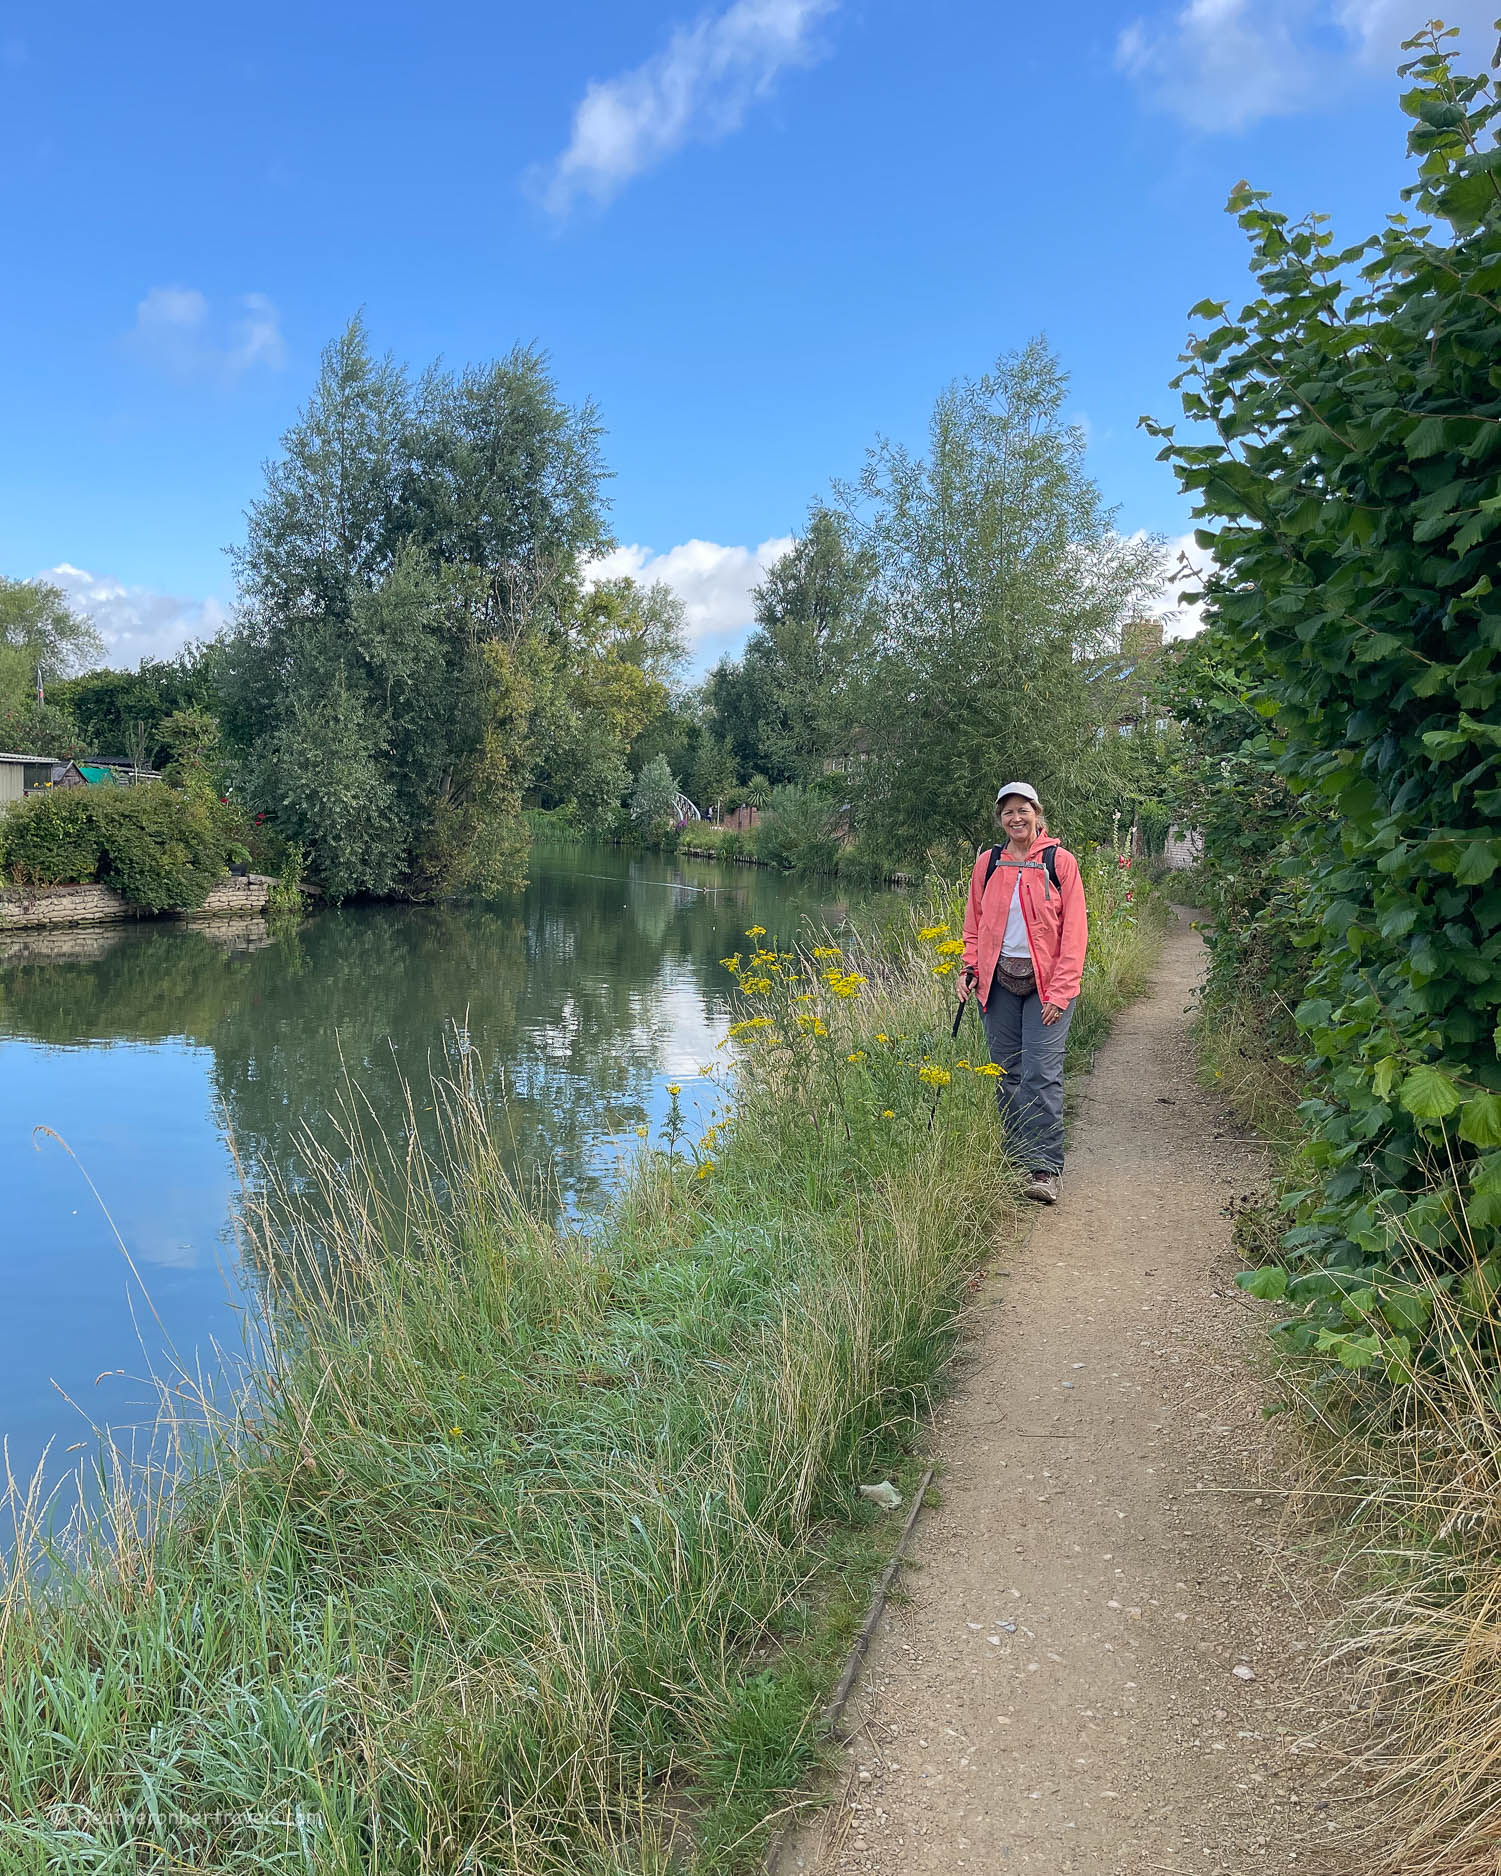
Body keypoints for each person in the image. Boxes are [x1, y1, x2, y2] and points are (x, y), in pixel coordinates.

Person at [959, 782, 1088, 1205]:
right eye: (1007, 812)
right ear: (1000, 819)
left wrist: (1061, 992)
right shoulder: (989, 863)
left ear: (1037, 813)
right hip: (998, 983)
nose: (1015, 818)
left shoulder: (1059, 862)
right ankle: (1017, 1160)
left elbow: (1075, 934)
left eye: (1022, 810)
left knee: (1041, 1075)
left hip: (1046, 986)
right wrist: (970, 968)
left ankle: (1045, 1169)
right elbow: (974, 924)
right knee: (1007, 1073)